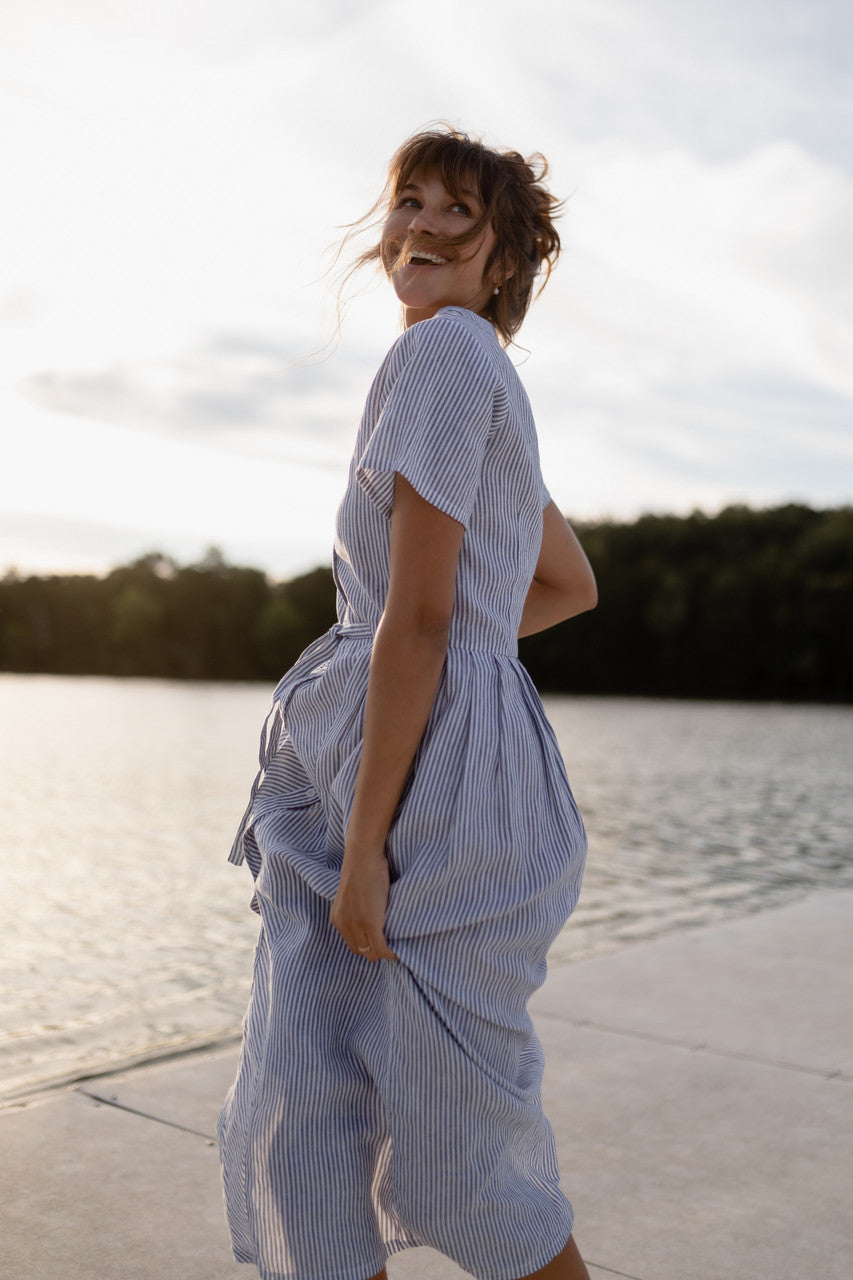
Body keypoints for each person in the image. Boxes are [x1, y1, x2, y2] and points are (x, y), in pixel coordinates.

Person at [218, 126, 597, 1280]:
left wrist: (372, 841)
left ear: (501, 262)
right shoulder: (477, 375)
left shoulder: (440, 357)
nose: (423, 225)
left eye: (458, 213)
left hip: (407, 791)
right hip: (435, 762)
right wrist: (466, 643)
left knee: (437, 1155)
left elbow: (422, 617)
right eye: (410, 202)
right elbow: (566, 586)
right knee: (318, 1125)